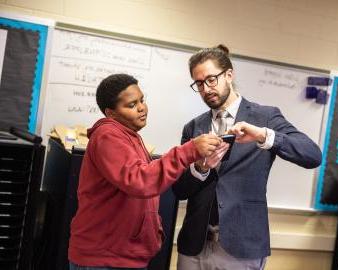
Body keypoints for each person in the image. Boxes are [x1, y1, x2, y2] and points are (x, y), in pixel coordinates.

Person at [172, 45, 323, 270]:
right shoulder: (193, 127)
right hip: (194, 247)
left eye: (211, 79)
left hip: (242, 248)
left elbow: (312, 155)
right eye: (199, 83)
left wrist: (264, 135)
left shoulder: (265, 117)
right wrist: (200, 169)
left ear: (229, 75)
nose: (206, 88)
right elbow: (179, 190)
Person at [68, 74, 223, 270]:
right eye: (131, 105)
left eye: (142, 100)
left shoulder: (130, 136)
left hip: (124, 256)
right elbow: (140, 181)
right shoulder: (107, 135)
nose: (142, 108)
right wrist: (190, 150)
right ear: (111, 113)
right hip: (103, 259)